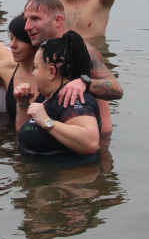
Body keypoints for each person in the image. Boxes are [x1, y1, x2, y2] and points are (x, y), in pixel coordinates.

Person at [22, 0, 122, 135]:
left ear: (58, 20)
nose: (27, 26)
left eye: (35, 19)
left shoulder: (81, 50)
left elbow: (117, 89)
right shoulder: (42, 48)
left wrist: (85, 82)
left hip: (84, 133)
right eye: (25, 19)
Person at [13, 31, 101, 161]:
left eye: (36, 67)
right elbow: (25, 133)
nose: (33, 73)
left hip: (66, 178)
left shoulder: (71, 97)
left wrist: (46, 121)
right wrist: (22, 104)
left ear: (51, 72)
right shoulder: (51, 98)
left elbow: (90, 142)